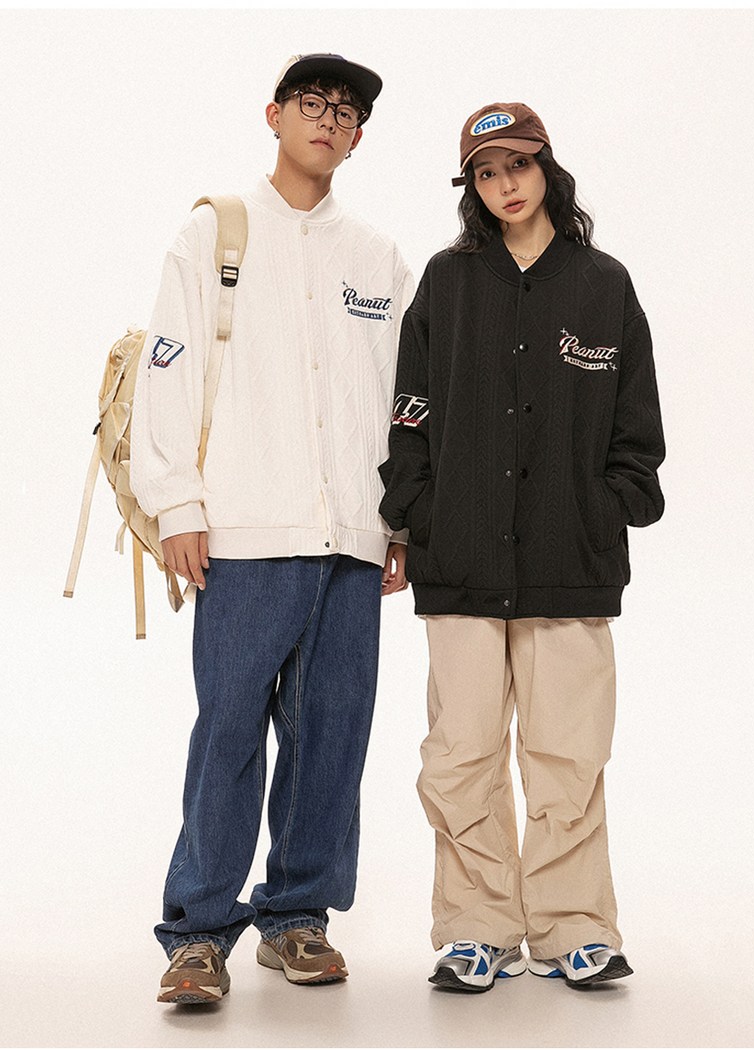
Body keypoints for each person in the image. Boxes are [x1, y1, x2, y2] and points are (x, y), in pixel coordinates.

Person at [131, 53, 413, 1004]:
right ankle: (197, 931)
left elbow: (399, 400)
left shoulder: (377, 257)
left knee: (333, 734)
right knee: (230, 732)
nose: (329, 120)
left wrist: (400, 523)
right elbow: (170, 370)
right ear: (276, 114)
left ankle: (297, 917)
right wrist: (178, 503)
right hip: (243, 535)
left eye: (347, 112)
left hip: (353, 541)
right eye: (313, 103)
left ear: (358, 138)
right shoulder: (214, 232)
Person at [378, 101, 665, 993]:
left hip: (568, 563)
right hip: (459, 558)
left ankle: (575, 929)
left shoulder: (604, 284)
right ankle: (478, 930)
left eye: (518, 165)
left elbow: (638, 431)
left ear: (547, 169)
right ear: (472, 186)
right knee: (460, 754)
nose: (505, 185)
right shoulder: (447, 281)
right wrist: (415, 513)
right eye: (486, 172)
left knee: (567, 755)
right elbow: (410, 412)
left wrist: (603, 508)